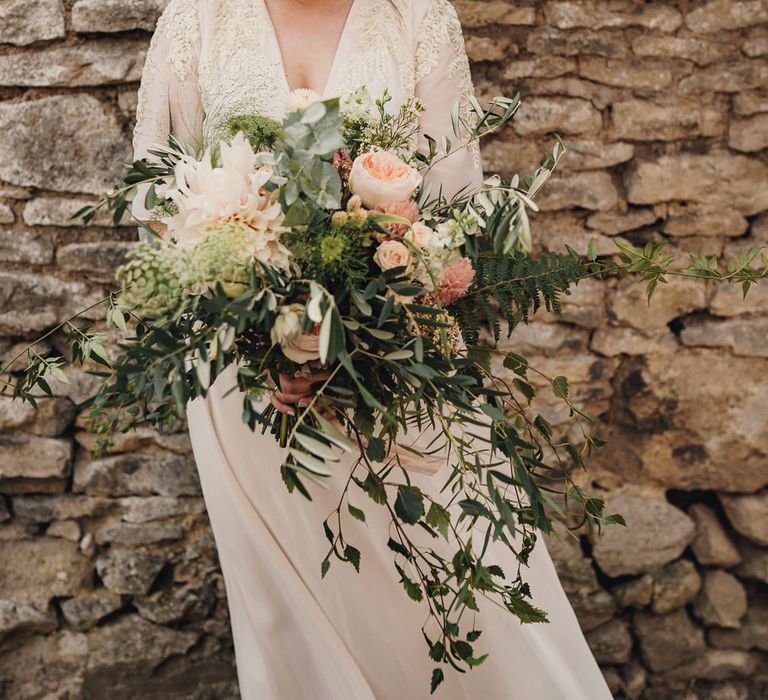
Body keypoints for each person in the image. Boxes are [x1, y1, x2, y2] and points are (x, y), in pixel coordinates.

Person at [133, 1, 612, 697]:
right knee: (290, 622)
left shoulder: (418, 16)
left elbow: (454, 204)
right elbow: (154, 196)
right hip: (249, 391)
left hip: (399, 369)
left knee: (466, 584)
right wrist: (261, 336)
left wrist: (363, 329)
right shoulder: (197, 16)